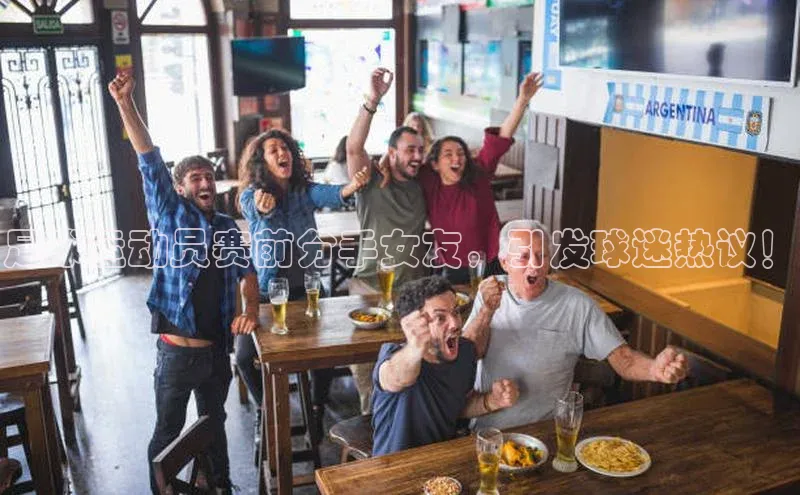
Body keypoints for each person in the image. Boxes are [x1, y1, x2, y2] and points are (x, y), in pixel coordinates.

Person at [108, 74, 261, 494]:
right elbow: (147, 156)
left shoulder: (226, 227)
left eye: (208, 176)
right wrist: (125, 103)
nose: (205, 182)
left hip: (216, 352)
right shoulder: (169, 213)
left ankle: (221, 486)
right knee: (168, 433)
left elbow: (248, 273)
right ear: (179, 187)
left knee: (215, 425)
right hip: (177, 354)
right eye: (195, 177)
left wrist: (250, 309)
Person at [465, 219, 689, 431]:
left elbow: (625, 360)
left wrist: (654, 369)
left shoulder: (577, 304)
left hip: (547, 430)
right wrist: (486, 311)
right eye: (524, 257)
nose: (535, 264)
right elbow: (468, 355)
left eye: (542, 255)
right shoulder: (490, 292)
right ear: (504, 262)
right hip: (489, 432)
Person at [236, 128, 368, 437]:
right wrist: (263, 207)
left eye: (285, 148)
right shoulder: (252, 194)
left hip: (308, 290)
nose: (282, 153)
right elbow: (252, 207)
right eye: (273, 150)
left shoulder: (303, 191)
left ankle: (317, 407)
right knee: (244, 357)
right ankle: (264, 410)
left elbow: (330, 194)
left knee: (326, 354)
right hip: (267, 293)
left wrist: (352, 186)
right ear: (262, 161)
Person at [412, 73, 544, 285]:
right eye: (448, 154)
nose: (456, 158)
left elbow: (502, 136)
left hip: (490, 260)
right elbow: (402, 163)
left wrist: (522, 101)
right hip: (452, 265)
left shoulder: (478, 175)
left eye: (461, 153)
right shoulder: (428, 180)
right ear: (435, 164)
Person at [371, 276, 519, 456]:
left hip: (443, 461)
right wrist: (415, 348)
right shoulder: (394, 356)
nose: (455, 324)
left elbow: (458, 407)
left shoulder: (464, 353)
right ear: (416, 325)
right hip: (394, 466)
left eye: (455, 312)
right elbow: (395, 378)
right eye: (440, 318)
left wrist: (492, 401)